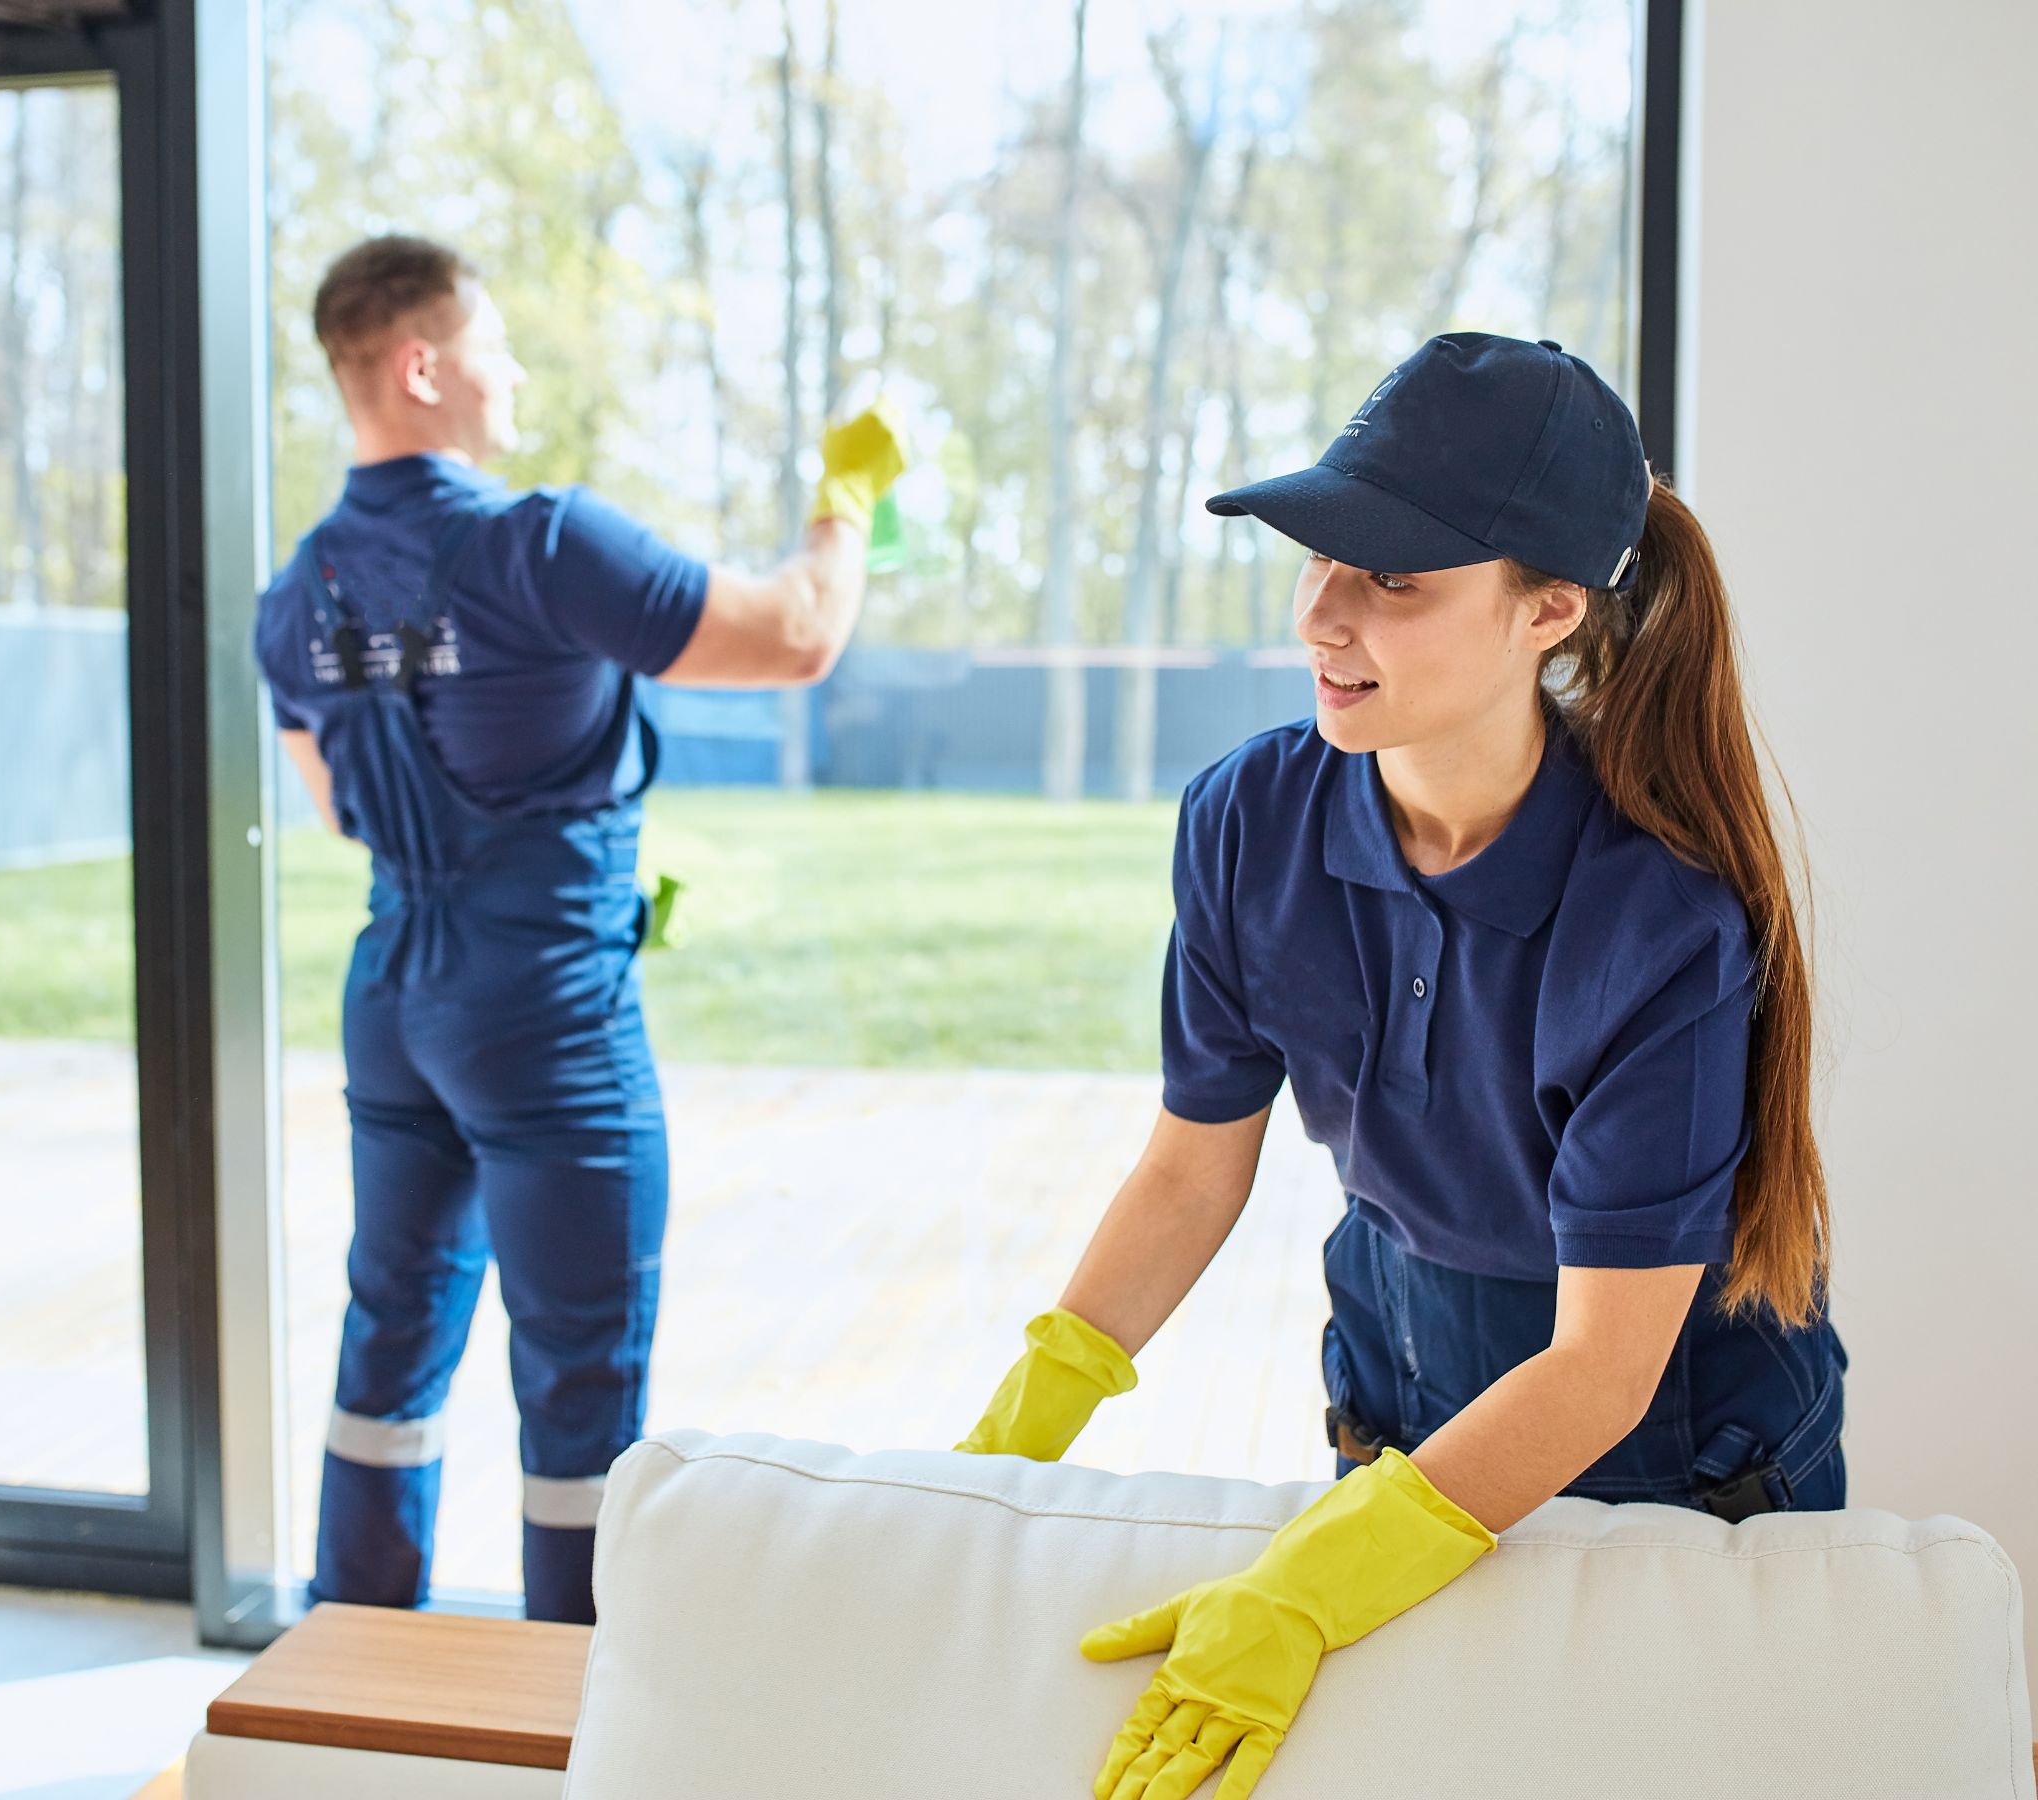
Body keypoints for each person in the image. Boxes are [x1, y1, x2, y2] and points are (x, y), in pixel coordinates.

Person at [956, 333, 1841, 1799]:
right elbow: (1191, 1170)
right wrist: (1029, 1417)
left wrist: (1311, 1585)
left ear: (1548, 611)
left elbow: (1602, 1370)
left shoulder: (1660, 924)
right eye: (1321, 562)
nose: (1325, 617)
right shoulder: (1251, 821)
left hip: (1673, 1457)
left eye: (1396, 581)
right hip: (1402, 1406)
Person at [253, 235, 905, 1624]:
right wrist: (848, 499)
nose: (516, 369)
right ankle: (577, 1715)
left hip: (397, 1004)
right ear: (423, 367)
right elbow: (793, 636)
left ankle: (351, 1685)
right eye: (494, 343)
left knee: (389, 1345)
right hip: (544, 1016)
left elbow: (343, 810)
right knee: (578, 1381)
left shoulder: (295, 595)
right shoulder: (539, 546)